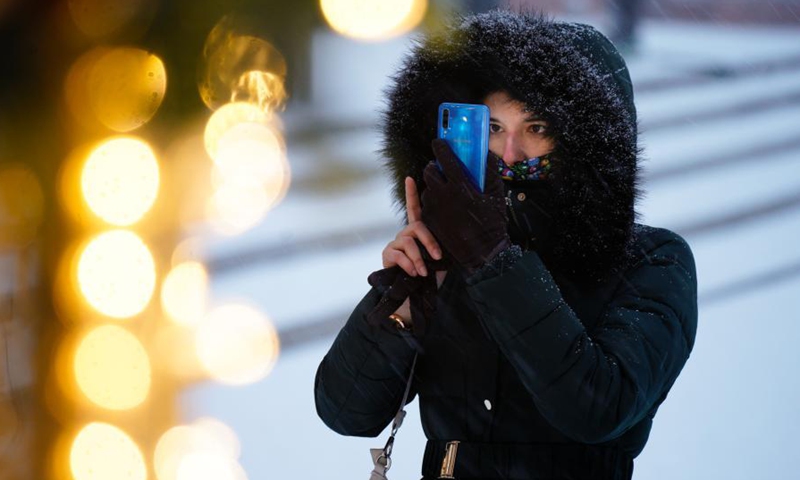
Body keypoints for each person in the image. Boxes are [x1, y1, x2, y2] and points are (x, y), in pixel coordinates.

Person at [315, 10, 697, 480]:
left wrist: (492, 261)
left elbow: (599, 407)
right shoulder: (449, 251)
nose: (509, 153)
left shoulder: (653, 260)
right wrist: (407, 299)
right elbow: (345, 412)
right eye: (493, 127)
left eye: (536, 128)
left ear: (584, 142)